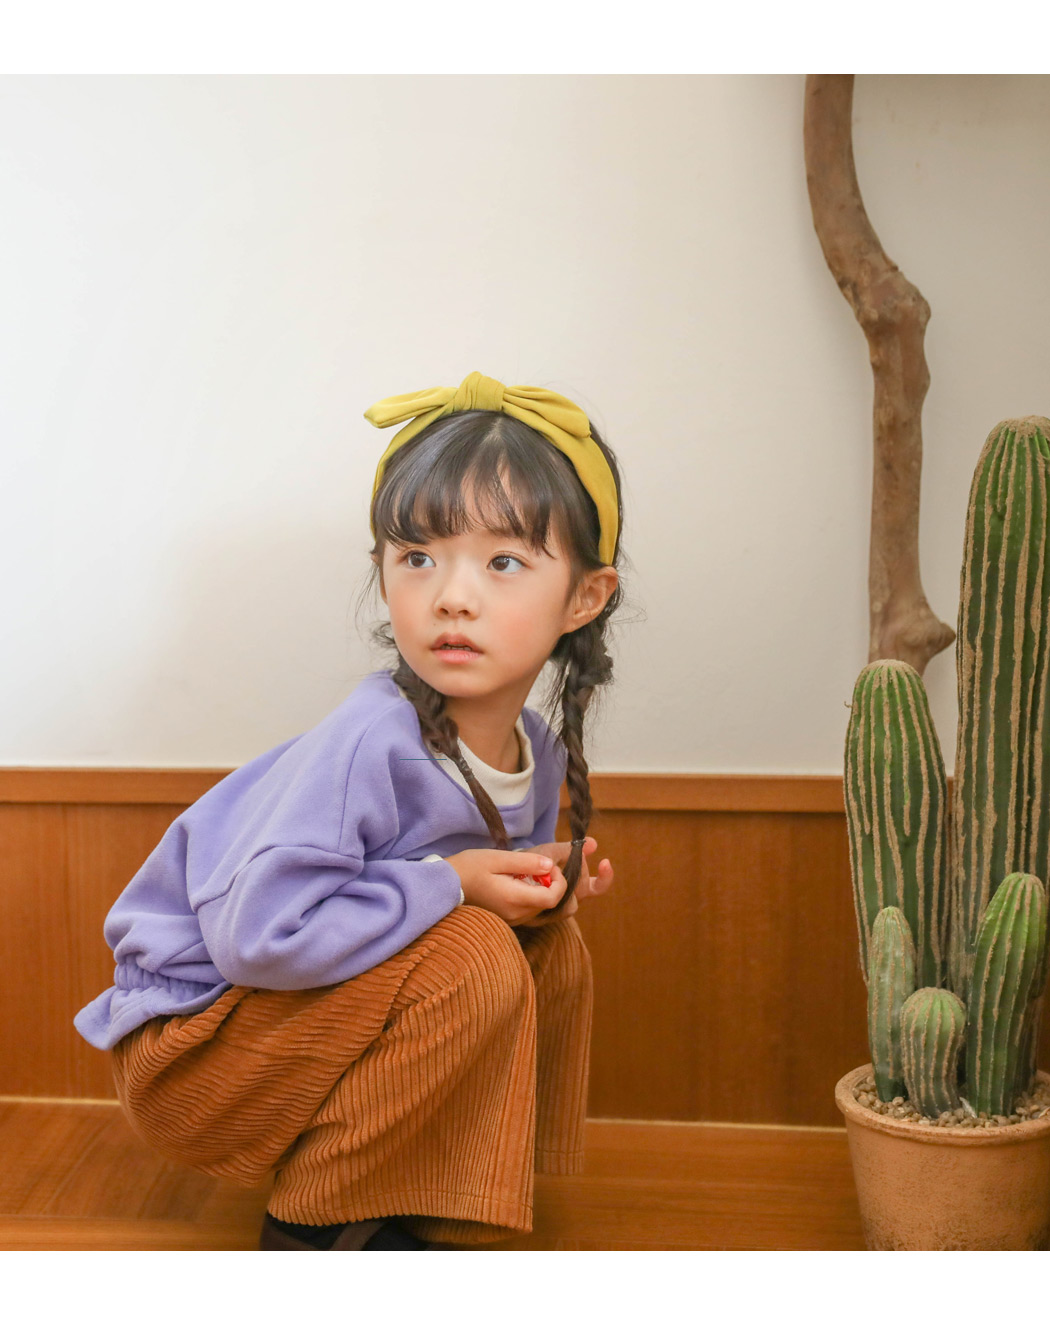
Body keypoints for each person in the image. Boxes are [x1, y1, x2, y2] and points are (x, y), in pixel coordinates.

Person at [74, 370, 624, 1250]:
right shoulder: (372, 739)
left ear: (584, 598)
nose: (451, 594)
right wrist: (452, 882)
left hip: (289, 1025)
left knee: (542, 947)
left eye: (503, 562)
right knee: (473, 950)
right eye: (417, 558)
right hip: (194, 1052)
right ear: (383, 572)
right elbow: (259, 936)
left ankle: (455, 1194)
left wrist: (531, 885)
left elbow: (456, 907)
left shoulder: (534, 747)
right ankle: (314, 1223)